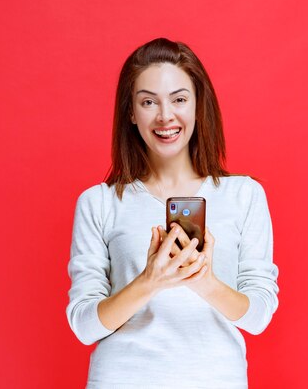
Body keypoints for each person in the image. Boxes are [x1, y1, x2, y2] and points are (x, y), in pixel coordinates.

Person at [66, 37, 279, 388]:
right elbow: (85, 325)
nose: (165, 115)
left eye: (179, 99)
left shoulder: (245, 195)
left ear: (198, 106)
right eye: (148, 101)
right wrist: (151, 280)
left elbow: (258, 317)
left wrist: (204, 281)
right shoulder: (98, 202)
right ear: (131, 113)